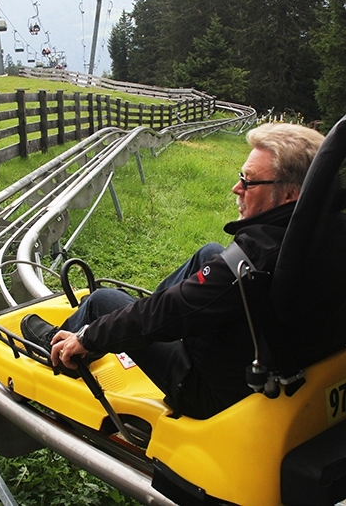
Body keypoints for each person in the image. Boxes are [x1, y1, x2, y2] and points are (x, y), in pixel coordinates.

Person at [21, 123, 325, 419]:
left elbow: (171, 308)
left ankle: (59, 349)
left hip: (208, 390)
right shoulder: (325, 232)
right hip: (267, 355)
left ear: (290, 195)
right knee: (210, 252)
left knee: (103, 301)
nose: (237, 188)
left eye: (249, 180)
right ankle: (137, 329)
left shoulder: (253, 260)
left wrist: (91, 337)